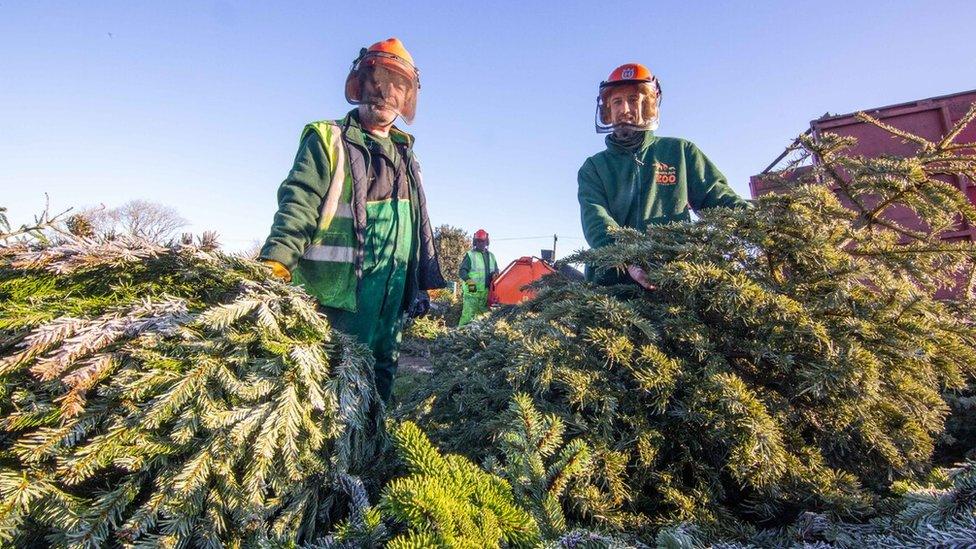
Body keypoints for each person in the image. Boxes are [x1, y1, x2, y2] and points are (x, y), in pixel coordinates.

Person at [258, 38, 444, 402]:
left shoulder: (407, 154)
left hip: (391, 294)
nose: (383, 94)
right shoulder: (328, 139)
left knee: (382, 373)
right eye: (376, 82)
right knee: (331, 380)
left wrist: (423, 280)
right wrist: (278, 257)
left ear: (406, 98)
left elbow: (420, 222)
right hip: (337, 295)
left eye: (395, 87)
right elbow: (299, 199)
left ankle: (373, 448)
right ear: (360, 83)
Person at [578, 63, 749, 287]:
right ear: (608, 109)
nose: (625, 108)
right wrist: (628, 259)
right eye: (617, 101)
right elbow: (596, 220)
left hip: (673, 275)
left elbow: (717, 197)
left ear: (649, 105)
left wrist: (754, 221)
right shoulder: (594, 167)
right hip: (612, 284)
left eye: (633, 99)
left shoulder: (680, 152)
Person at [457, 229, 498, 326]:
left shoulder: (492, 256)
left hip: (486, 292)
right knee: (468, 315)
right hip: (472, 291)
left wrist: (495, 275)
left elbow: (496, 271)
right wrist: (469, 282)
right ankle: (460, 336)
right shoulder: (470, 255)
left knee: (484, 317)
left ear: (486, 242)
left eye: (482, 241)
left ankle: (477, 337)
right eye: (478, 241)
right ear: (475, 242)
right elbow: (462, 271)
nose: (480, 243)